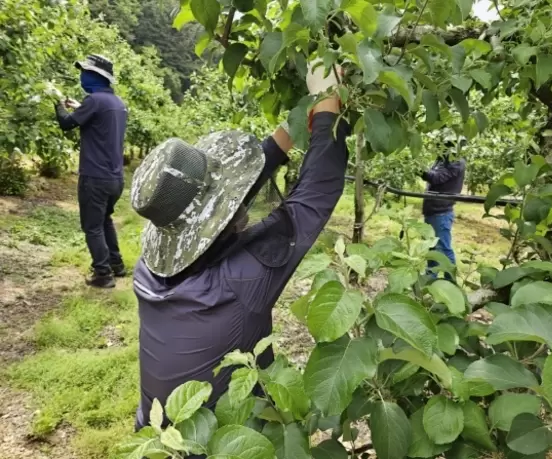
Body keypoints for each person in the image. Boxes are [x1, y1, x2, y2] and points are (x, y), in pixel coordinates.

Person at [130, 63, 348, 442]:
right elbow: (315, 195)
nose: (234, 202)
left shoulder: (148, 269)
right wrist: (330, 103)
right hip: (213, 446)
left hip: (157, 435)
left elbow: (216, 204)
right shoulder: (239, 280)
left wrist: (299, 119)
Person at [54, 55, 128, 288]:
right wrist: (80, 106)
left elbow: (66, 124)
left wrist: (56, 102)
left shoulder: (94, 101)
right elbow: (98, 118)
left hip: (94, 177)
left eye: (85, 72)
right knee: (104, 220)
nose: (82, 76)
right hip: (115, 177)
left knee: (92, 226)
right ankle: (116, 265)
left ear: (95, 76)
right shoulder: (117, 103)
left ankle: (102, 274)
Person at [420, 135, 466, 280]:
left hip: (441, 212)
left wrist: (421, 170)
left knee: (444, 249)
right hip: (433, 210)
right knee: (432, 247)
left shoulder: (455, 161)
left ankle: (450, 282)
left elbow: (437, 177)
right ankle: (430, 278)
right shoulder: (443, 159)